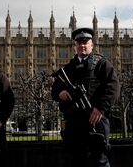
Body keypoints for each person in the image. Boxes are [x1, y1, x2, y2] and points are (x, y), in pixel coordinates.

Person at [51, 27, 120, 167]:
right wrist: (60, 93)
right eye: (79, 43)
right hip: (74, 123)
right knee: (76, 160)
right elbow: (55, 89)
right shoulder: (68, 68)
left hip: (95, 119)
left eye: (86, 42)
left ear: (92, 45)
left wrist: (100, 108)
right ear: (75, 45)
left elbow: (113, 87)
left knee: (100, 160)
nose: (82, 45)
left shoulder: (102, 64)